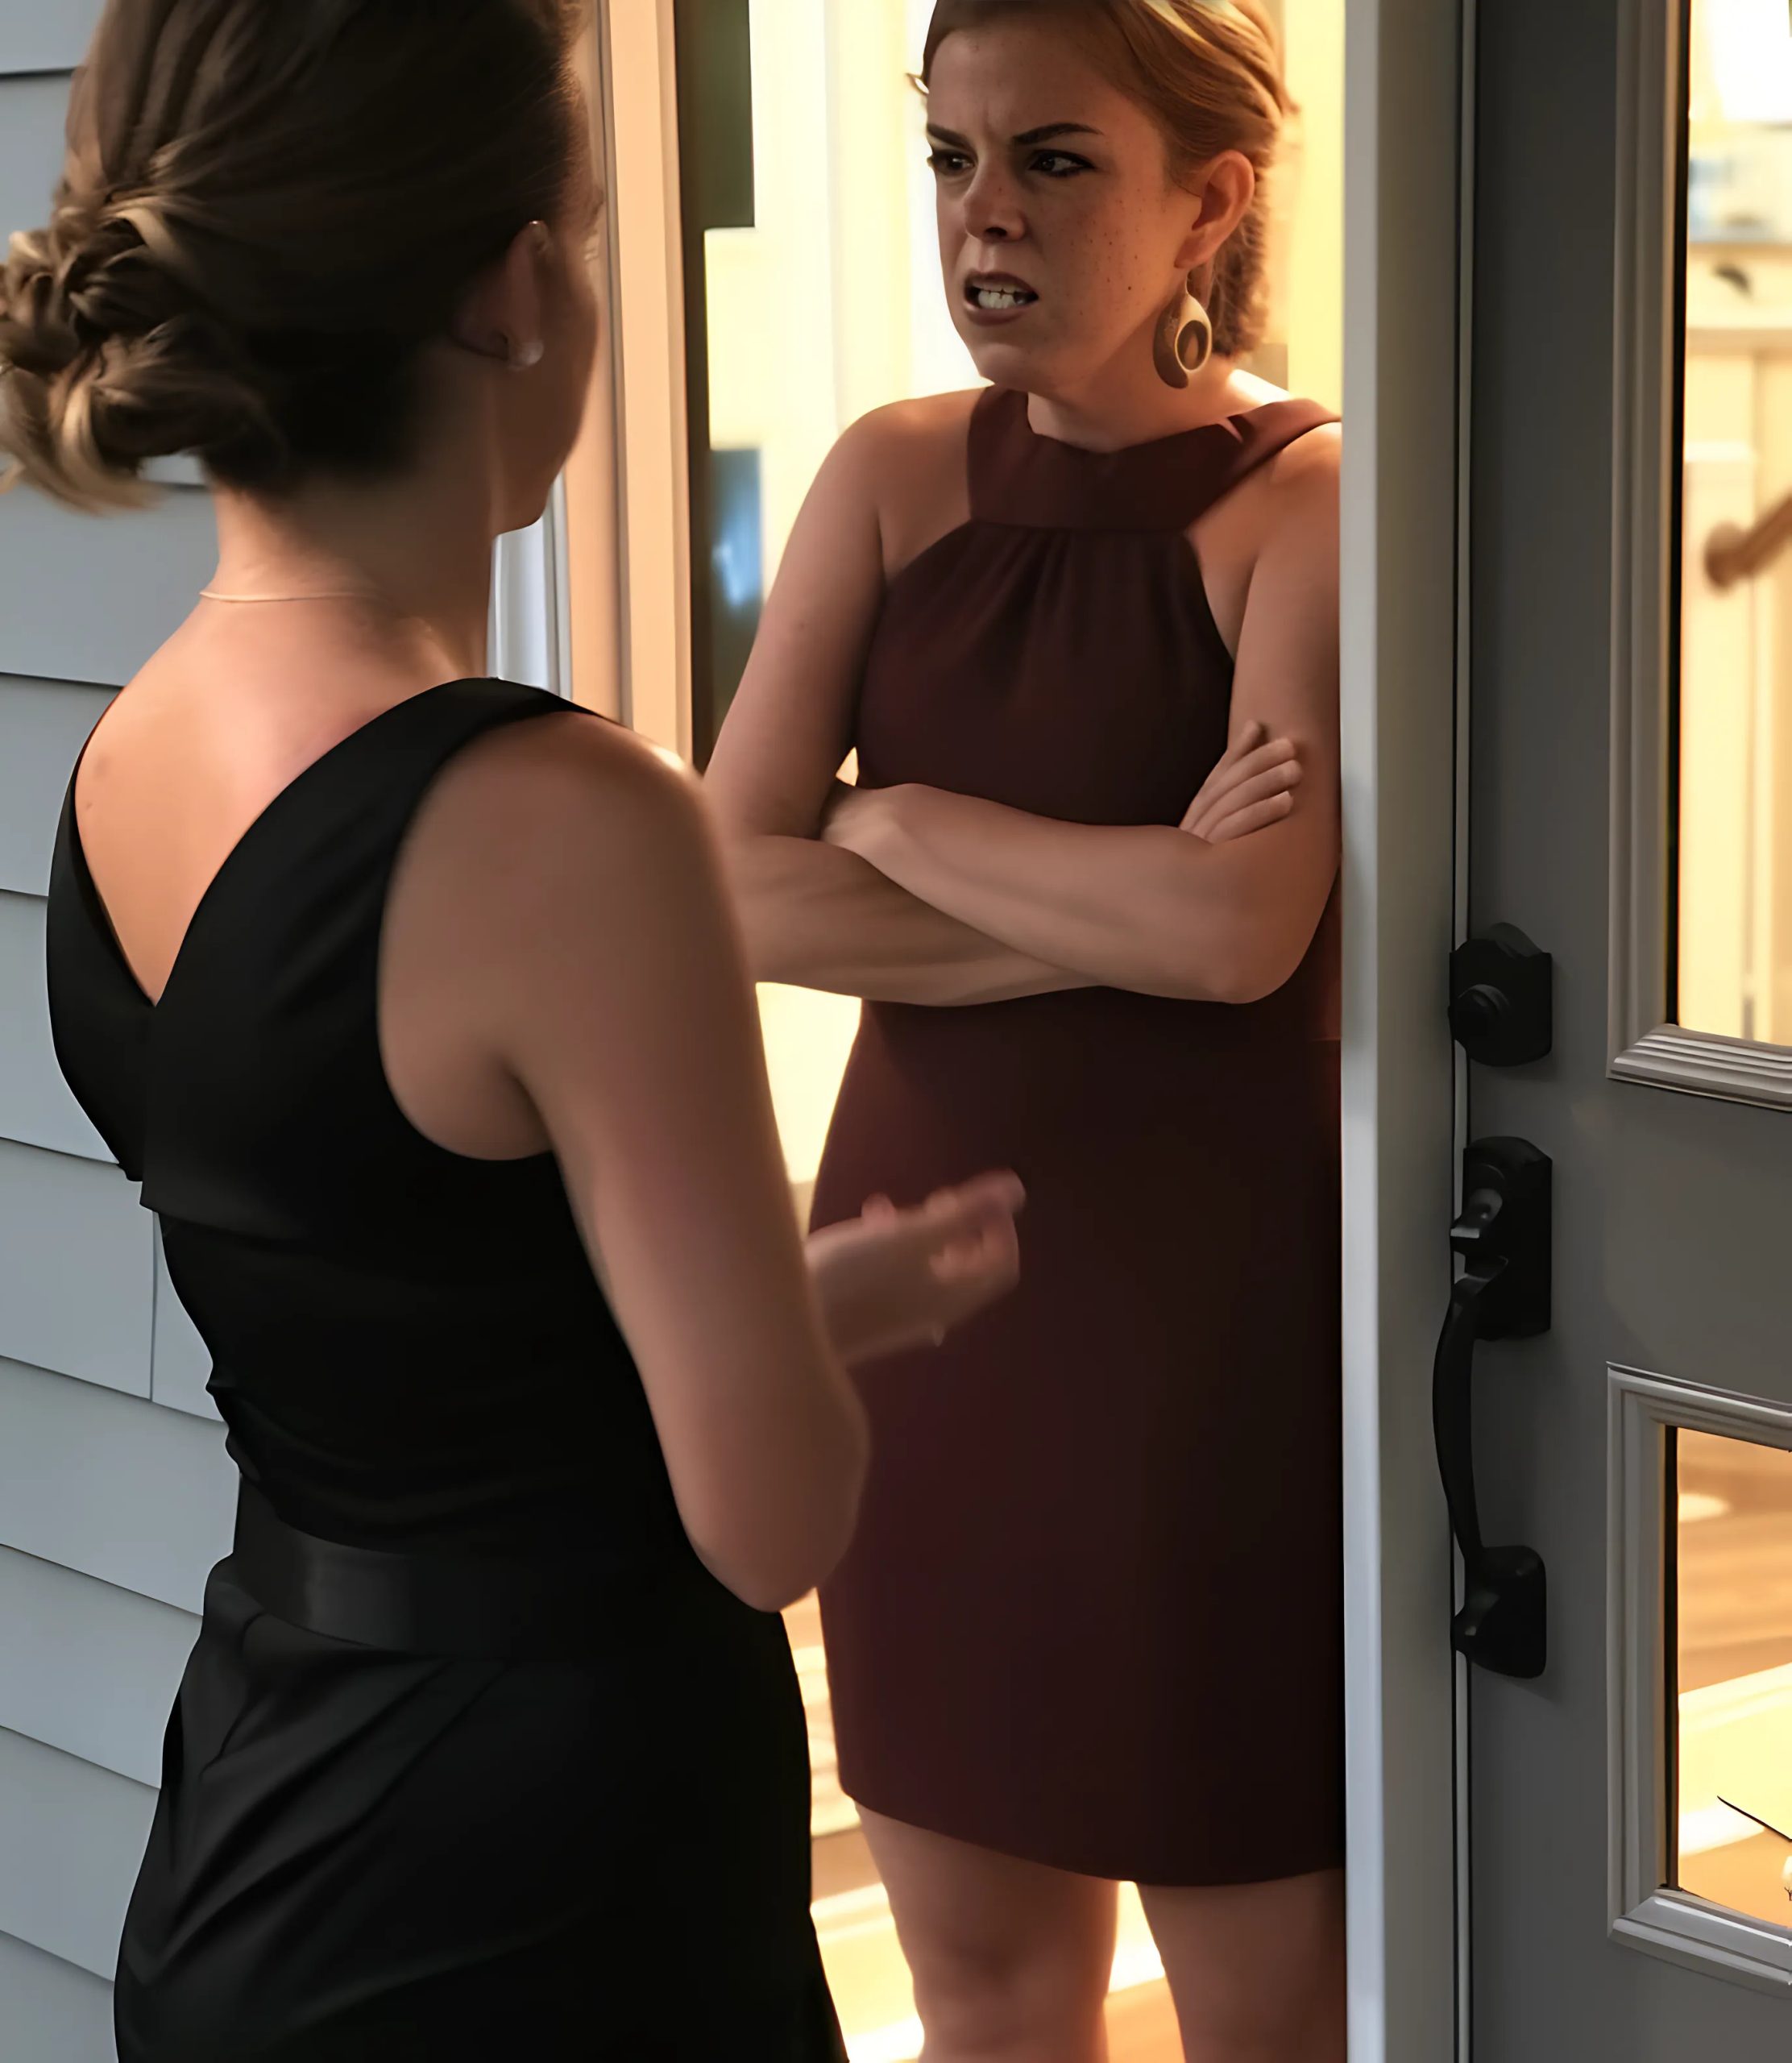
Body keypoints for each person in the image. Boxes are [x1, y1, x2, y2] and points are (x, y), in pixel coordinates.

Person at [0, 2, 1037, 2057]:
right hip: (545, 1904)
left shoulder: (128, 750)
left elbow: (399, 1306)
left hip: (260, 1843)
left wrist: (777, 1298)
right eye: (590, 220)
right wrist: (782, 1354)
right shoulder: (565, 821)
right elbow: (769, 1514)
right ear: (513, 285)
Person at [703, 2, 1343, 2059]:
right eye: (951, 159)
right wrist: (1124, 902)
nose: (983, 216)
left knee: (1267, 2006)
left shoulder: (1309, 502)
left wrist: (898, 819)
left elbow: (1243, 933)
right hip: (924, 1301)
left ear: (1206, 203)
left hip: (1202, 1326)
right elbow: (725, 887)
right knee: (977, 1991)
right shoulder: (889, 477)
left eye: (1053, 161)